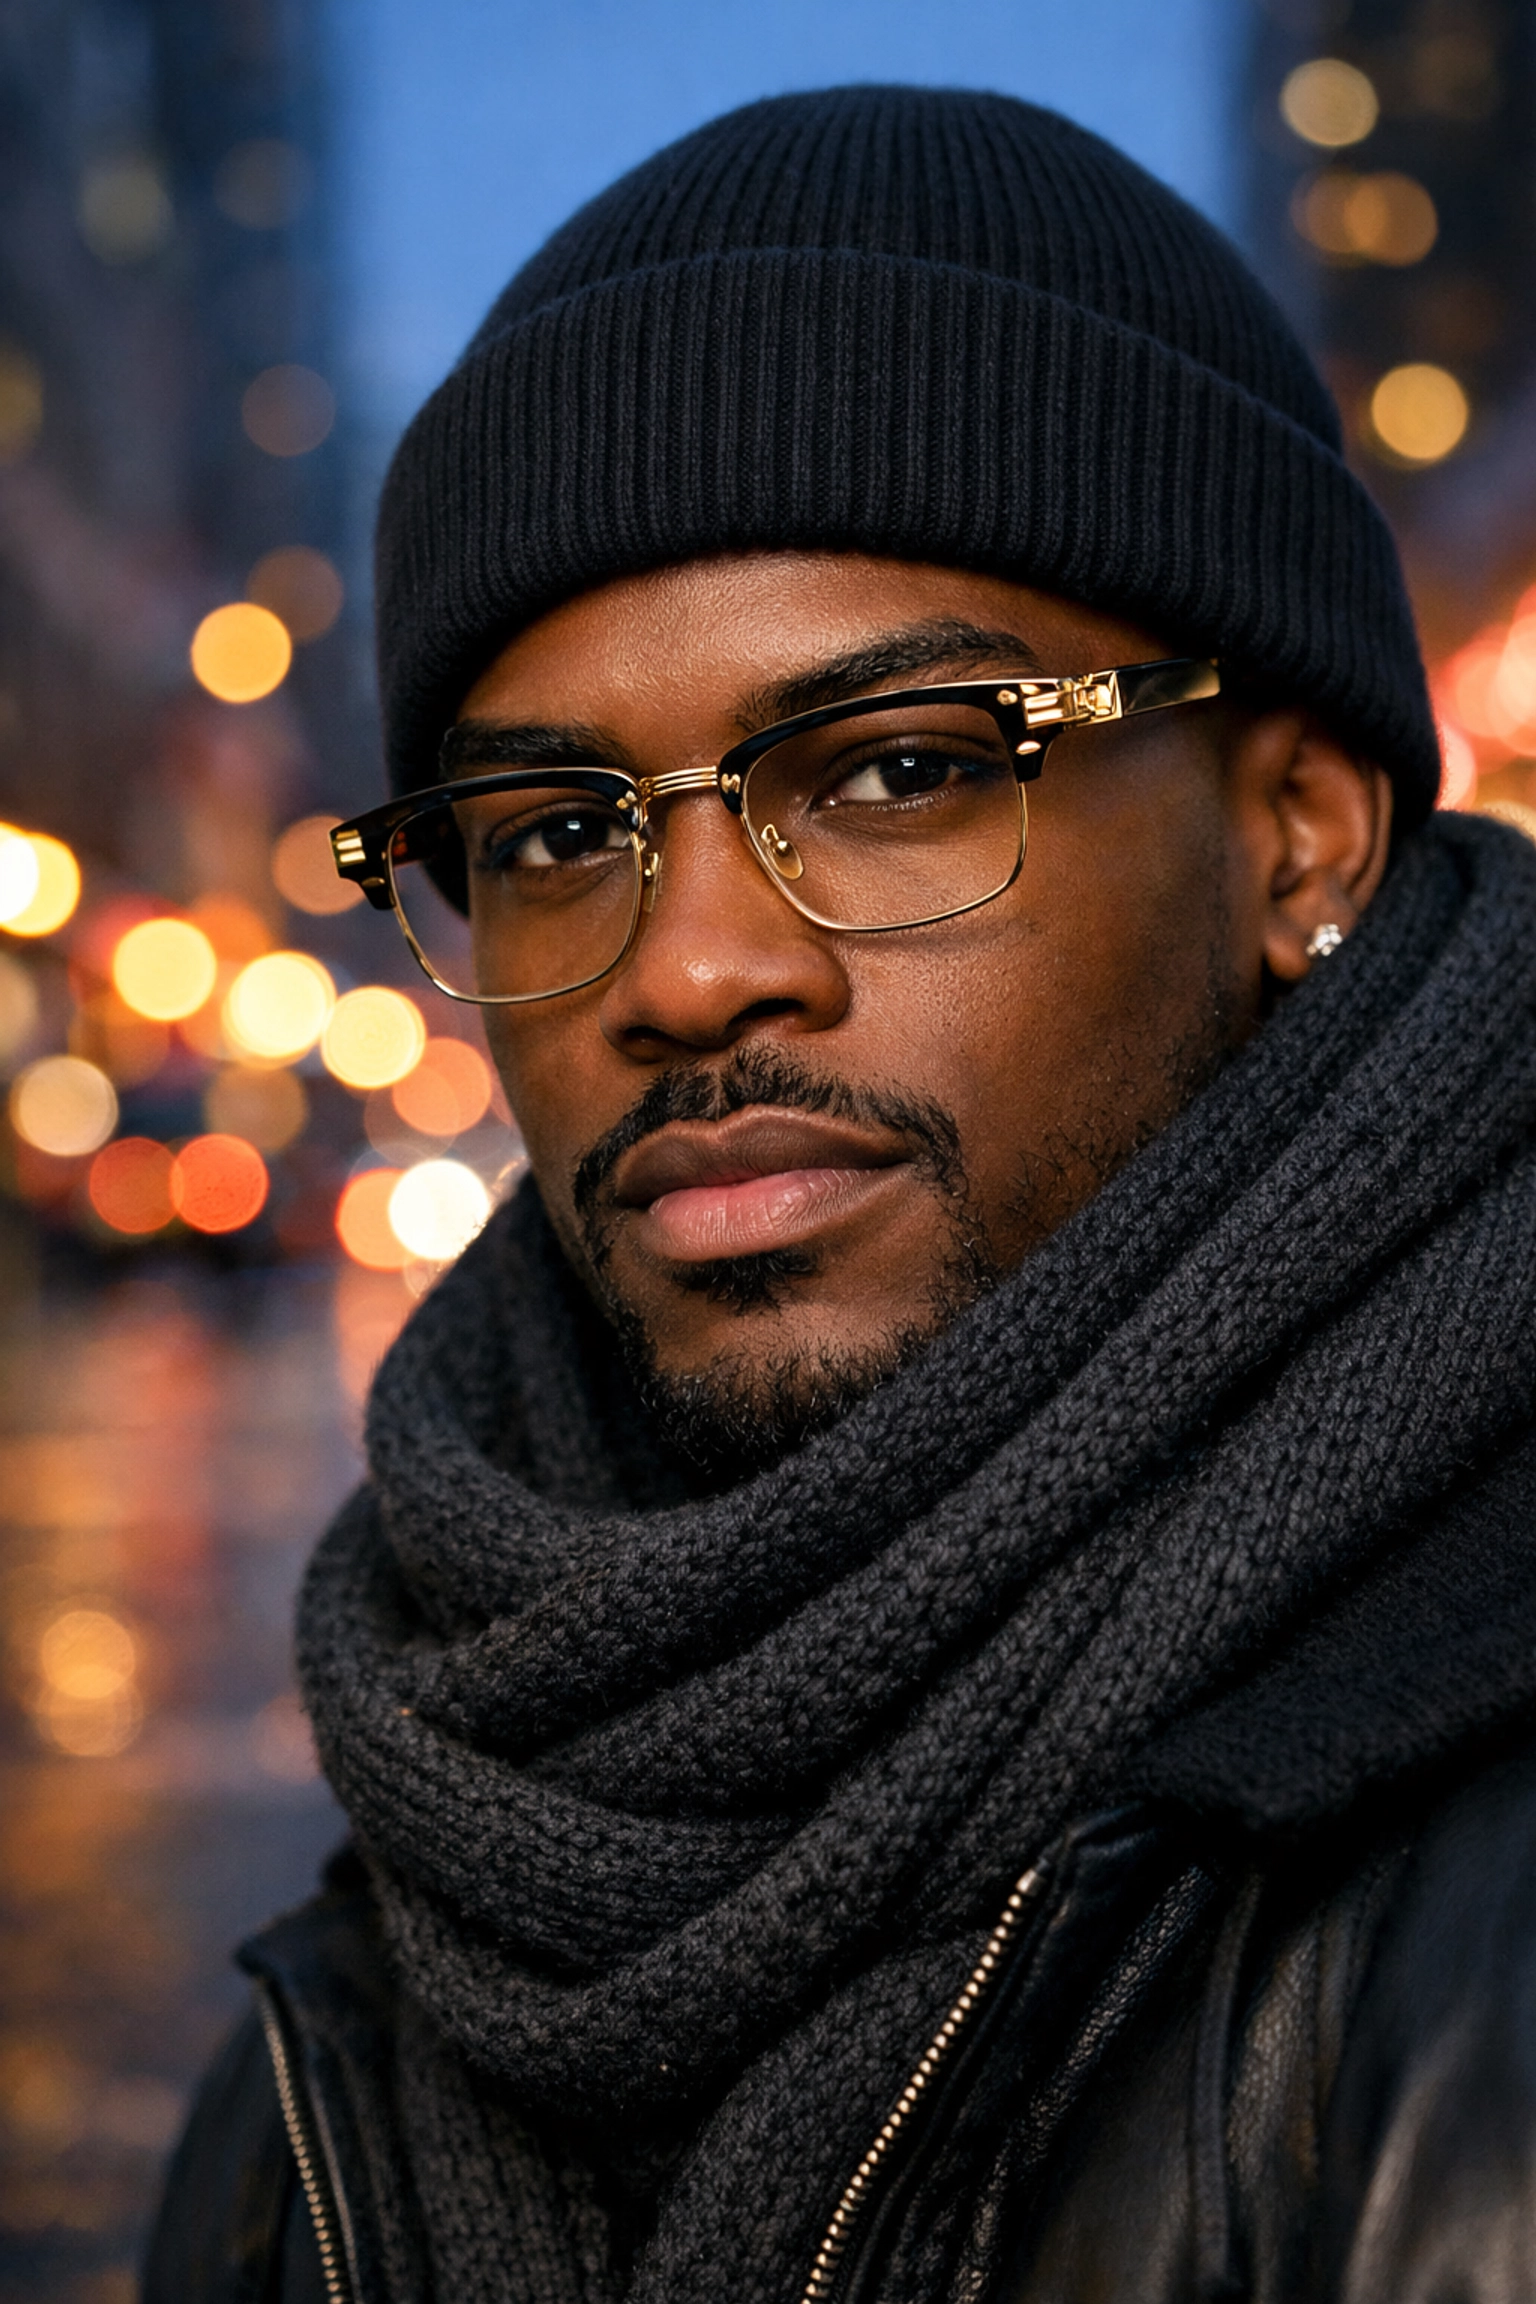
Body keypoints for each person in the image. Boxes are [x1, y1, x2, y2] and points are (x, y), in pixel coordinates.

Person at [145, 85, 1536, 2304]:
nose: (691, 972)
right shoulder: (352, 1997)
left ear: (1299, 835)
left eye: (899, 771)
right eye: (559, 833)